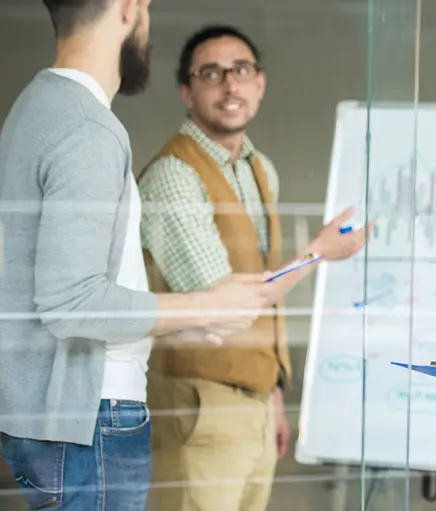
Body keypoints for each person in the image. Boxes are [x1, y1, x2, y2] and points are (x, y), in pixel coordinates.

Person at [0, 2, 279, 510]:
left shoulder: (37, 109)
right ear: (130, 8)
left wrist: (185, 323)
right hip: (91, 420)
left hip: (57, 416)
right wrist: (206, 307)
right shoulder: (88, 129)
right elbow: (73, 303)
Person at [138, 25, 368, 511]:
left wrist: (272, 397)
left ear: (259, 83)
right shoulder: (174, 174)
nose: (229, 85)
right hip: (199, 401)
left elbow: (266, 304)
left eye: (241, 70)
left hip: (254, 400)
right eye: (211, 73)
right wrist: (319, 252)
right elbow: (223, 305)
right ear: (187, 90)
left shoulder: (259, 167)